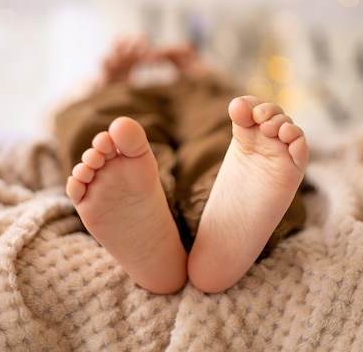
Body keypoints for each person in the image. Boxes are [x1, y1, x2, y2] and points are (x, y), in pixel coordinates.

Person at [54, 35, 309, 295]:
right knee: (216, 127)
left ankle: (198, 223)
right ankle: (197, 211)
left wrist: (201, 74)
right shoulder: (121, 85)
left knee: (103, 120)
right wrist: (109, 80)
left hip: (169, 90)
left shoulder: (201, 81)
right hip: (136, 88)